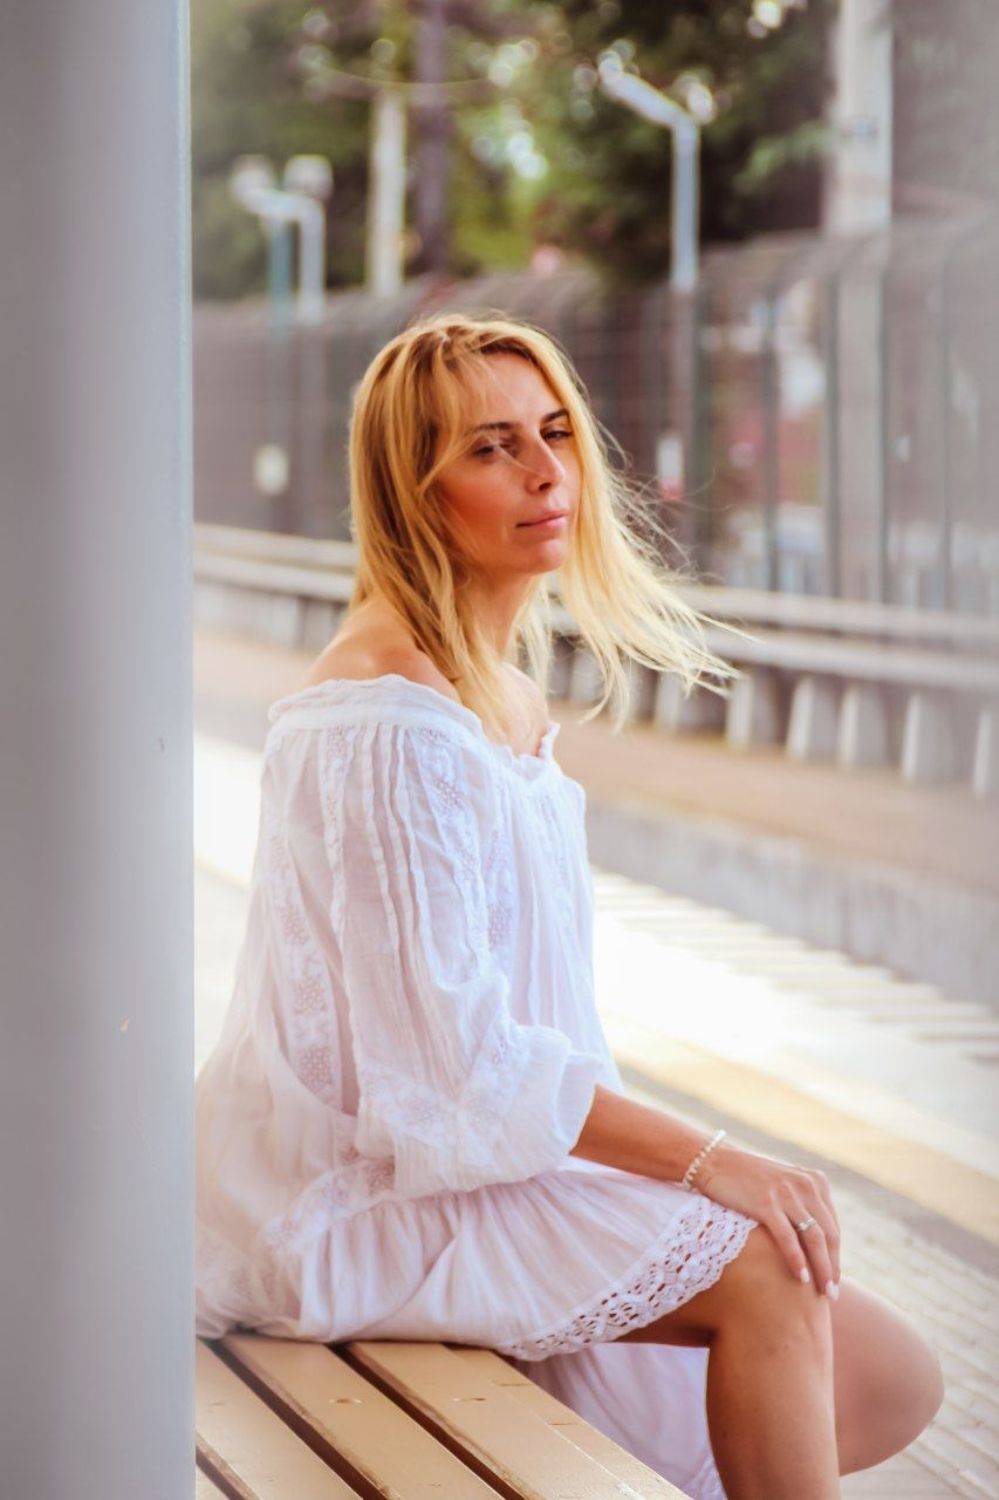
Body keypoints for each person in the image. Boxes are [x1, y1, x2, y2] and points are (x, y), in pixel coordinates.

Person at [195, 312, 944, 1499]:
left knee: (893, 1376)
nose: (547, 474)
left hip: (475, 1173)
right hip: (352, 1204)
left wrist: (668, 1179)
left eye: (554, 434)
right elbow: (450, 1075)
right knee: (767, 1270)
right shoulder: (386, 715)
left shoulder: (497, 695)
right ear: (412, 490)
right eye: (491, 449)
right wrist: (710, 1161)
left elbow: (512, 1046)